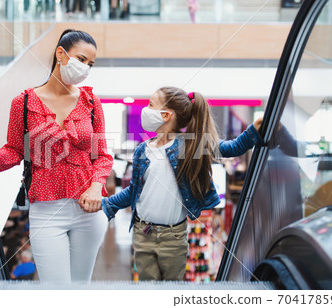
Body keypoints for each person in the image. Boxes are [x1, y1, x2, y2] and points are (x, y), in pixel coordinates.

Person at [0, 29, 113, 282]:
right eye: (81, 59)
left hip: (89, 212)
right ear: (61, 54)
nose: (85, 68)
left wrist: (96, 187)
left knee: (80, 288)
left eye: (91, 64)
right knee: (56, 290)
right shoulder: (24, 102)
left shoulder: (91, 102)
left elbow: (102, 156)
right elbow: (16, 150)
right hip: (46, 211)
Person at [99, 86, 263, 281]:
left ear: (167, 115)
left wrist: (255, 129)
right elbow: (134, 191)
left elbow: (231, 148)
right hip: (142, 233)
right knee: (147, 292)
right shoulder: (142, 150)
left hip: (173, 237)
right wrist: (108, 204)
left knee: (171, 291)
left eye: (151, 105)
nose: (145, 109)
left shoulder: (189, 145)